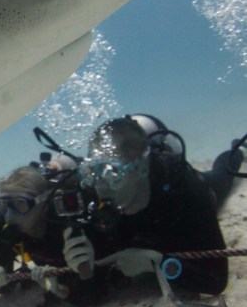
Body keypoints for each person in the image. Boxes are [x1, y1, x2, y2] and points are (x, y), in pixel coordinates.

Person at [82, 115, 236, 296]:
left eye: (112, 173)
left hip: (181, 209)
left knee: (222, 175)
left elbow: (216, 281)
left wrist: (157, 263)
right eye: (93, 171)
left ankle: (237, 150)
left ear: (141, 168)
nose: (100, 186)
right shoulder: (92, 193)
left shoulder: (182, 187)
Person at [0, 165, 99, 307]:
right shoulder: (11, 235)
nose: (10, 215)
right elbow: (6, 286)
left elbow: (93, 295)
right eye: (3, 205)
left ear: (43, 201)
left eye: (20, 203)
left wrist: (60, 291)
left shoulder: (67, 228)